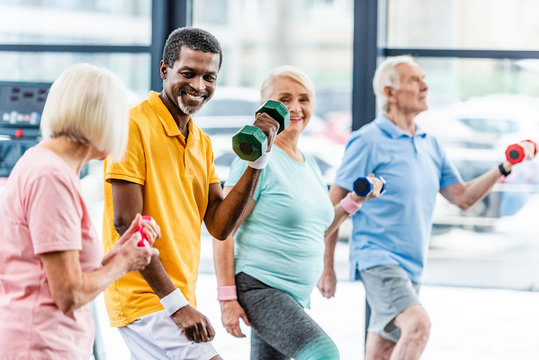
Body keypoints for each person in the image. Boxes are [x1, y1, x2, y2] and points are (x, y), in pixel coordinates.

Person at [316, 55, 536, 360]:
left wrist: (503, 166)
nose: (425, 86)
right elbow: (333, 207)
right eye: (414, 80)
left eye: (423, 79)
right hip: (377, 257)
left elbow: (462, 198)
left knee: (383, 351)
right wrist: (326, 267)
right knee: (418, 326)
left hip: (412, 262)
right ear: (390, 93)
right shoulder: (366, 141)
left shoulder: (430, 143)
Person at [102, 27, 280, 360]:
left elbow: (219, 225)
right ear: (164, 70)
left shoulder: (202, 142)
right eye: (188, 73)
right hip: (146, 295)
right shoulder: (131, 126)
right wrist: (175, 305)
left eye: (208, 77)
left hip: (175, 295)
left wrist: (258, 161)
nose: (199, 86)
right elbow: (127, 223)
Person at [212, 65, 383, 360]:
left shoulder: (309, 163)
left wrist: (356, 199)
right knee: (323, 353)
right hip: (260, 286)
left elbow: (317, 228)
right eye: (284, 99)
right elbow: (222, 230)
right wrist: (227, 298)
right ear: (265, 107)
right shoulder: (255, 160)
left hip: (293, 295)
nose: (295, 107)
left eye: (303, 99)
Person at [0, 63, 160, 359]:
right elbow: (69, 294)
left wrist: (119, 254)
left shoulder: (43, 165)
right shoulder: (50, 177)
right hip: (39, 346)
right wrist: (124, 264)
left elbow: (62, 273)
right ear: (102, 120)